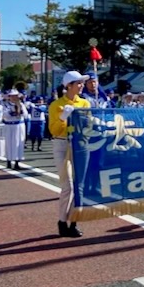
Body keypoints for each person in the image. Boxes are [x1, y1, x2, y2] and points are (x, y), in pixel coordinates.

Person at [50, 70, 91, 238]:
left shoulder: (85, 103)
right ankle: (62, 221)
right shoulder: (56, 105)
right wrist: (63, 117)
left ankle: (74, 222)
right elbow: (53, 129)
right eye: (78, 83)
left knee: (79, 186)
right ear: (69, 86)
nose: (81, 86)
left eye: (82, 83)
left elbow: (87, 125)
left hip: (79, 144)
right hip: (61, 143)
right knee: (67, 186)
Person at [2, 90, 29, 169]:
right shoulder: (5, 105)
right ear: (9, 97)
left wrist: (20, 111)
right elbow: (4, 115)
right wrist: (12, 112)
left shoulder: (21, 104)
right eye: (12, 96)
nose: (14, 98)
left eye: (15, 96)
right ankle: (8, 161)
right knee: (9, 143)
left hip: (19, 125)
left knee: (19, 143)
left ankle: (17, 162)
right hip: (9, 125)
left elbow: (26, 115)